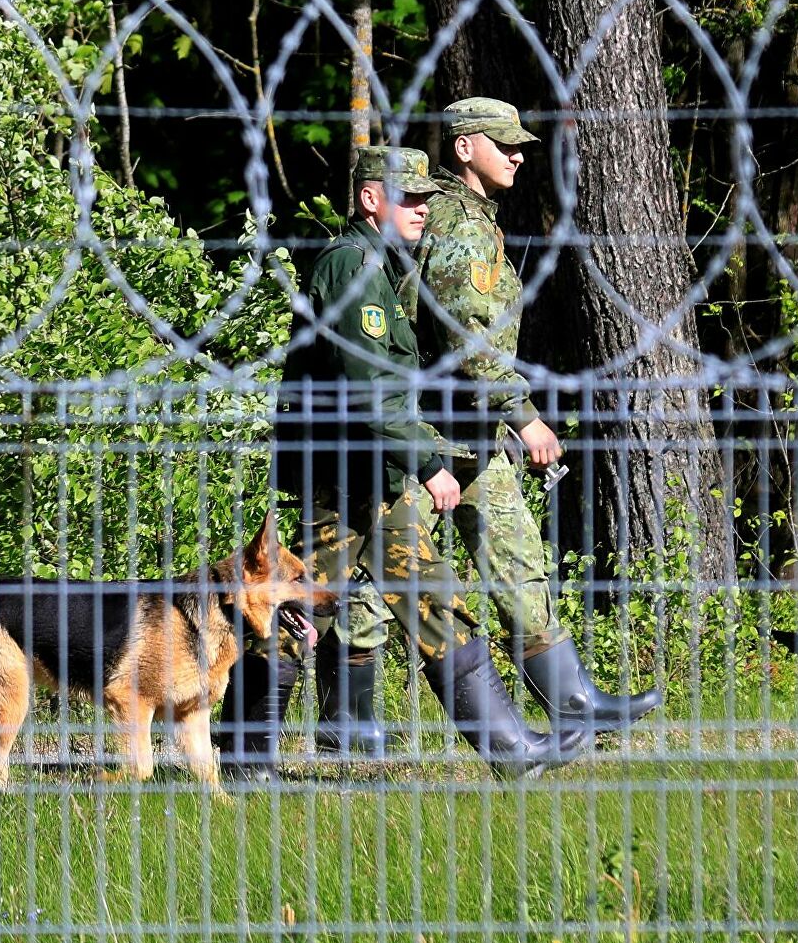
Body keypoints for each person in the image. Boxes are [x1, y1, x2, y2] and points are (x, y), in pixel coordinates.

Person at [214, 145, 592, 780]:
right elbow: (369, 386)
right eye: (408, 198)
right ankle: (245, 759)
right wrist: (426, 460)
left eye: (424, 197)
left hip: (374, 481)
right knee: (299, 605)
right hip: (339, 480)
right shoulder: (351, 267)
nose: (422, 208)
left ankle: (511, 753)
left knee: (431, 598)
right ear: (370, 200)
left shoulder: (383, 268)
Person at [313, 101, 661, 757]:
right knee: (376, 568)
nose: (519, 154)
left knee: (514, 556)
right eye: (505, 144)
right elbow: (469, 337)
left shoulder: (466, 219)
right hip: (432, 432)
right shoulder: (452, 222)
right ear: (466, 146)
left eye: (521, 144)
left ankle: (573, 700)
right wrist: (525, 416)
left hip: (469, 428)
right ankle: (345, 718)